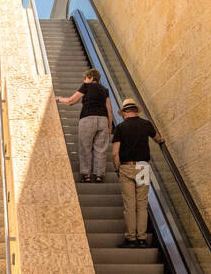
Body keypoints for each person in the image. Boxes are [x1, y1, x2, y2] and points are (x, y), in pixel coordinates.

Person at [110, 98, 165, 247]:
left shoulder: (120, 128)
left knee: (130, 204)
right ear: (135, 111)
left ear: (125, 113)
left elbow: (115, 153)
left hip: (127, 167)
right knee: (142, 204)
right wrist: (161, 141)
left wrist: (117, 169)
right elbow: (158, 138)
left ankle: (131, 238)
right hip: (142, 166)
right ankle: (142, 238)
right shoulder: (146, 124)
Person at [57, 68, 113, 182]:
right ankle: (99, 175)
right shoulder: (104, 89)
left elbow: (71, 101)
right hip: (103, 120)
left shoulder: (86, 86)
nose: (84, 80)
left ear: (91, 77)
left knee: (85, 147)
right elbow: (110, 109)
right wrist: (110, 126)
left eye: (85, 78)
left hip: (88, 118)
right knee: (101, 149)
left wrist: (59, 99)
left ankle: (86, 175)